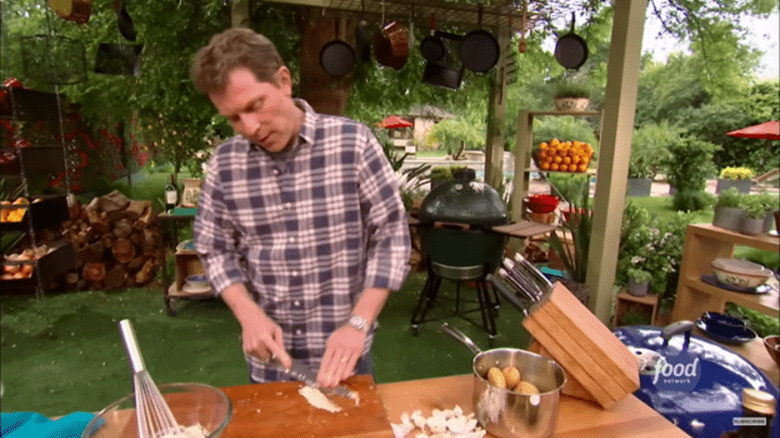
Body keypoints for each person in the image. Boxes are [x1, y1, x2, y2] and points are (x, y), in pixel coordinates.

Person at [190, 28, 411, 388]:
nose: (250, 127)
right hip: (270, 365)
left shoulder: (353, 144)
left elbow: (392, 236)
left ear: (283, 80)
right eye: (233, 118)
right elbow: (213, 248)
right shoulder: (224, 165)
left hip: (347, 354)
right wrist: (247, 314)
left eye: (254, 106)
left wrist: (359, 322)